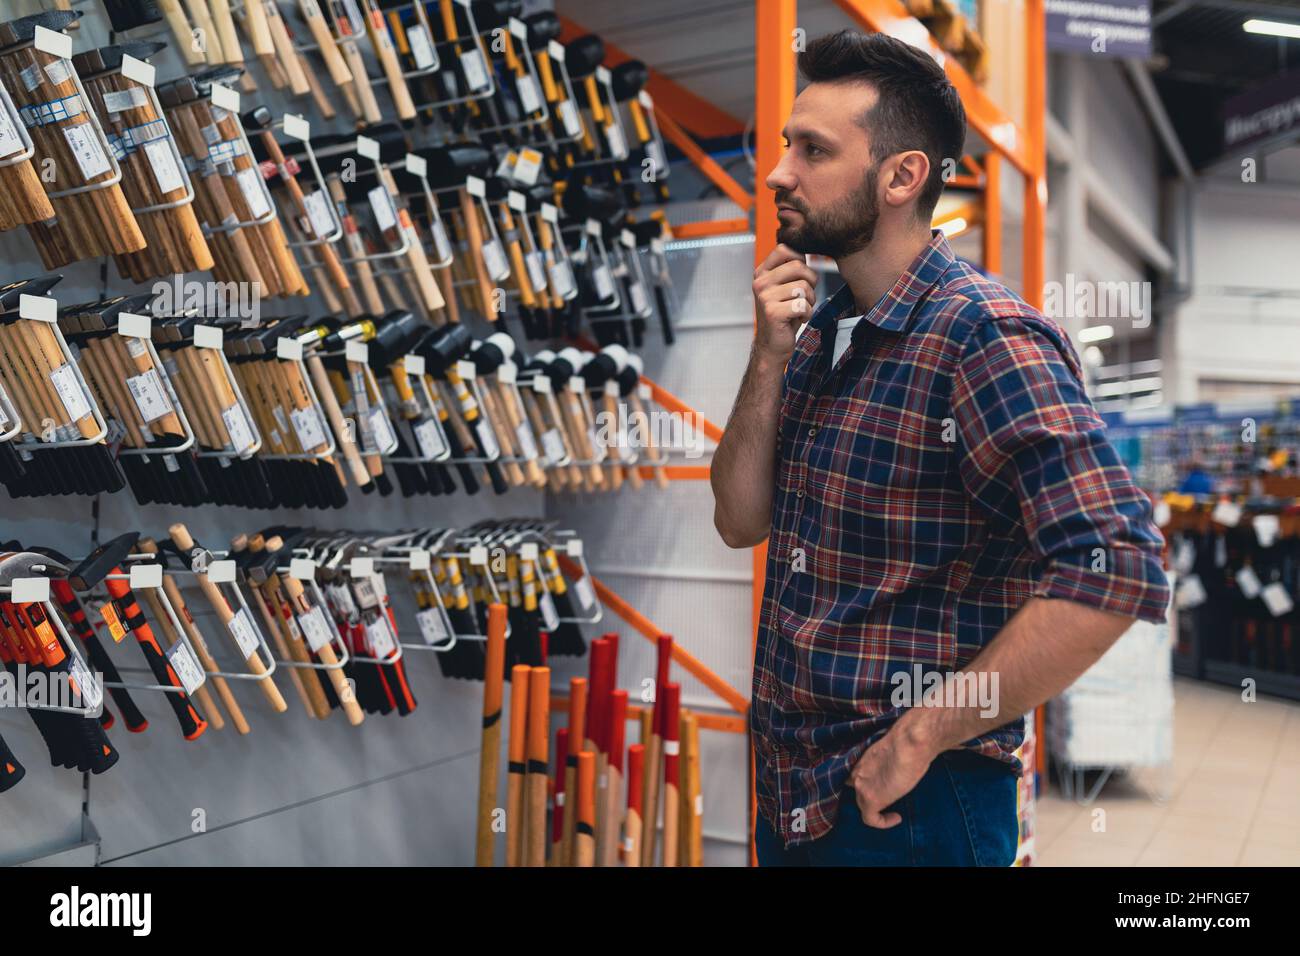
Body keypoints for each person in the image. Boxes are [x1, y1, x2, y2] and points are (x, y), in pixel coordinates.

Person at [710, 30, 1171, 866]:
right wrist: (767, 356)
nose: (778, 174)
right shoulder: (816, 337)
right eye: (787, 147)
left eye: (813, 150)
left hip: (910, 810)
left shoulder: (983, 336)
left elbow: (1115, 565)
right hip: (793, 791)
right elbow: (741, 522)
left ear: (900, 176)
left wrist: (921, 734)